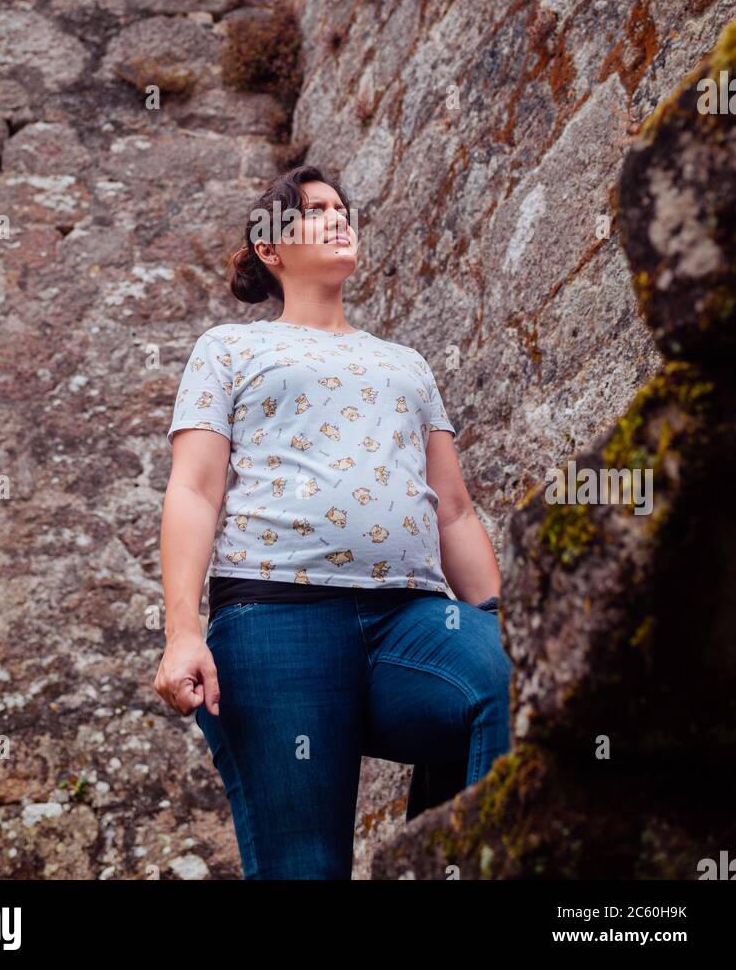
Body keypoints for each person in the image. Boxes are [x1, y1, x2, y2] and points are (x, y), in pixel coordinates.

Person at [153, 164, 512, 879]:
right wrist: (182, 632)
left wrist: (501, 616)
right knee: (305, 867)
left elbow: (452, 507)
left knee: (513, 674)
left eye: (342, 209)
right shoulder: (229, 349)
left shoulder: (405, 363)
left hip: (412, 619)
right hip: (274, 623)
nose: (338, 217)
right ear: (269, 248)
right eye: (313, 211)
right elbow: (195, 491)